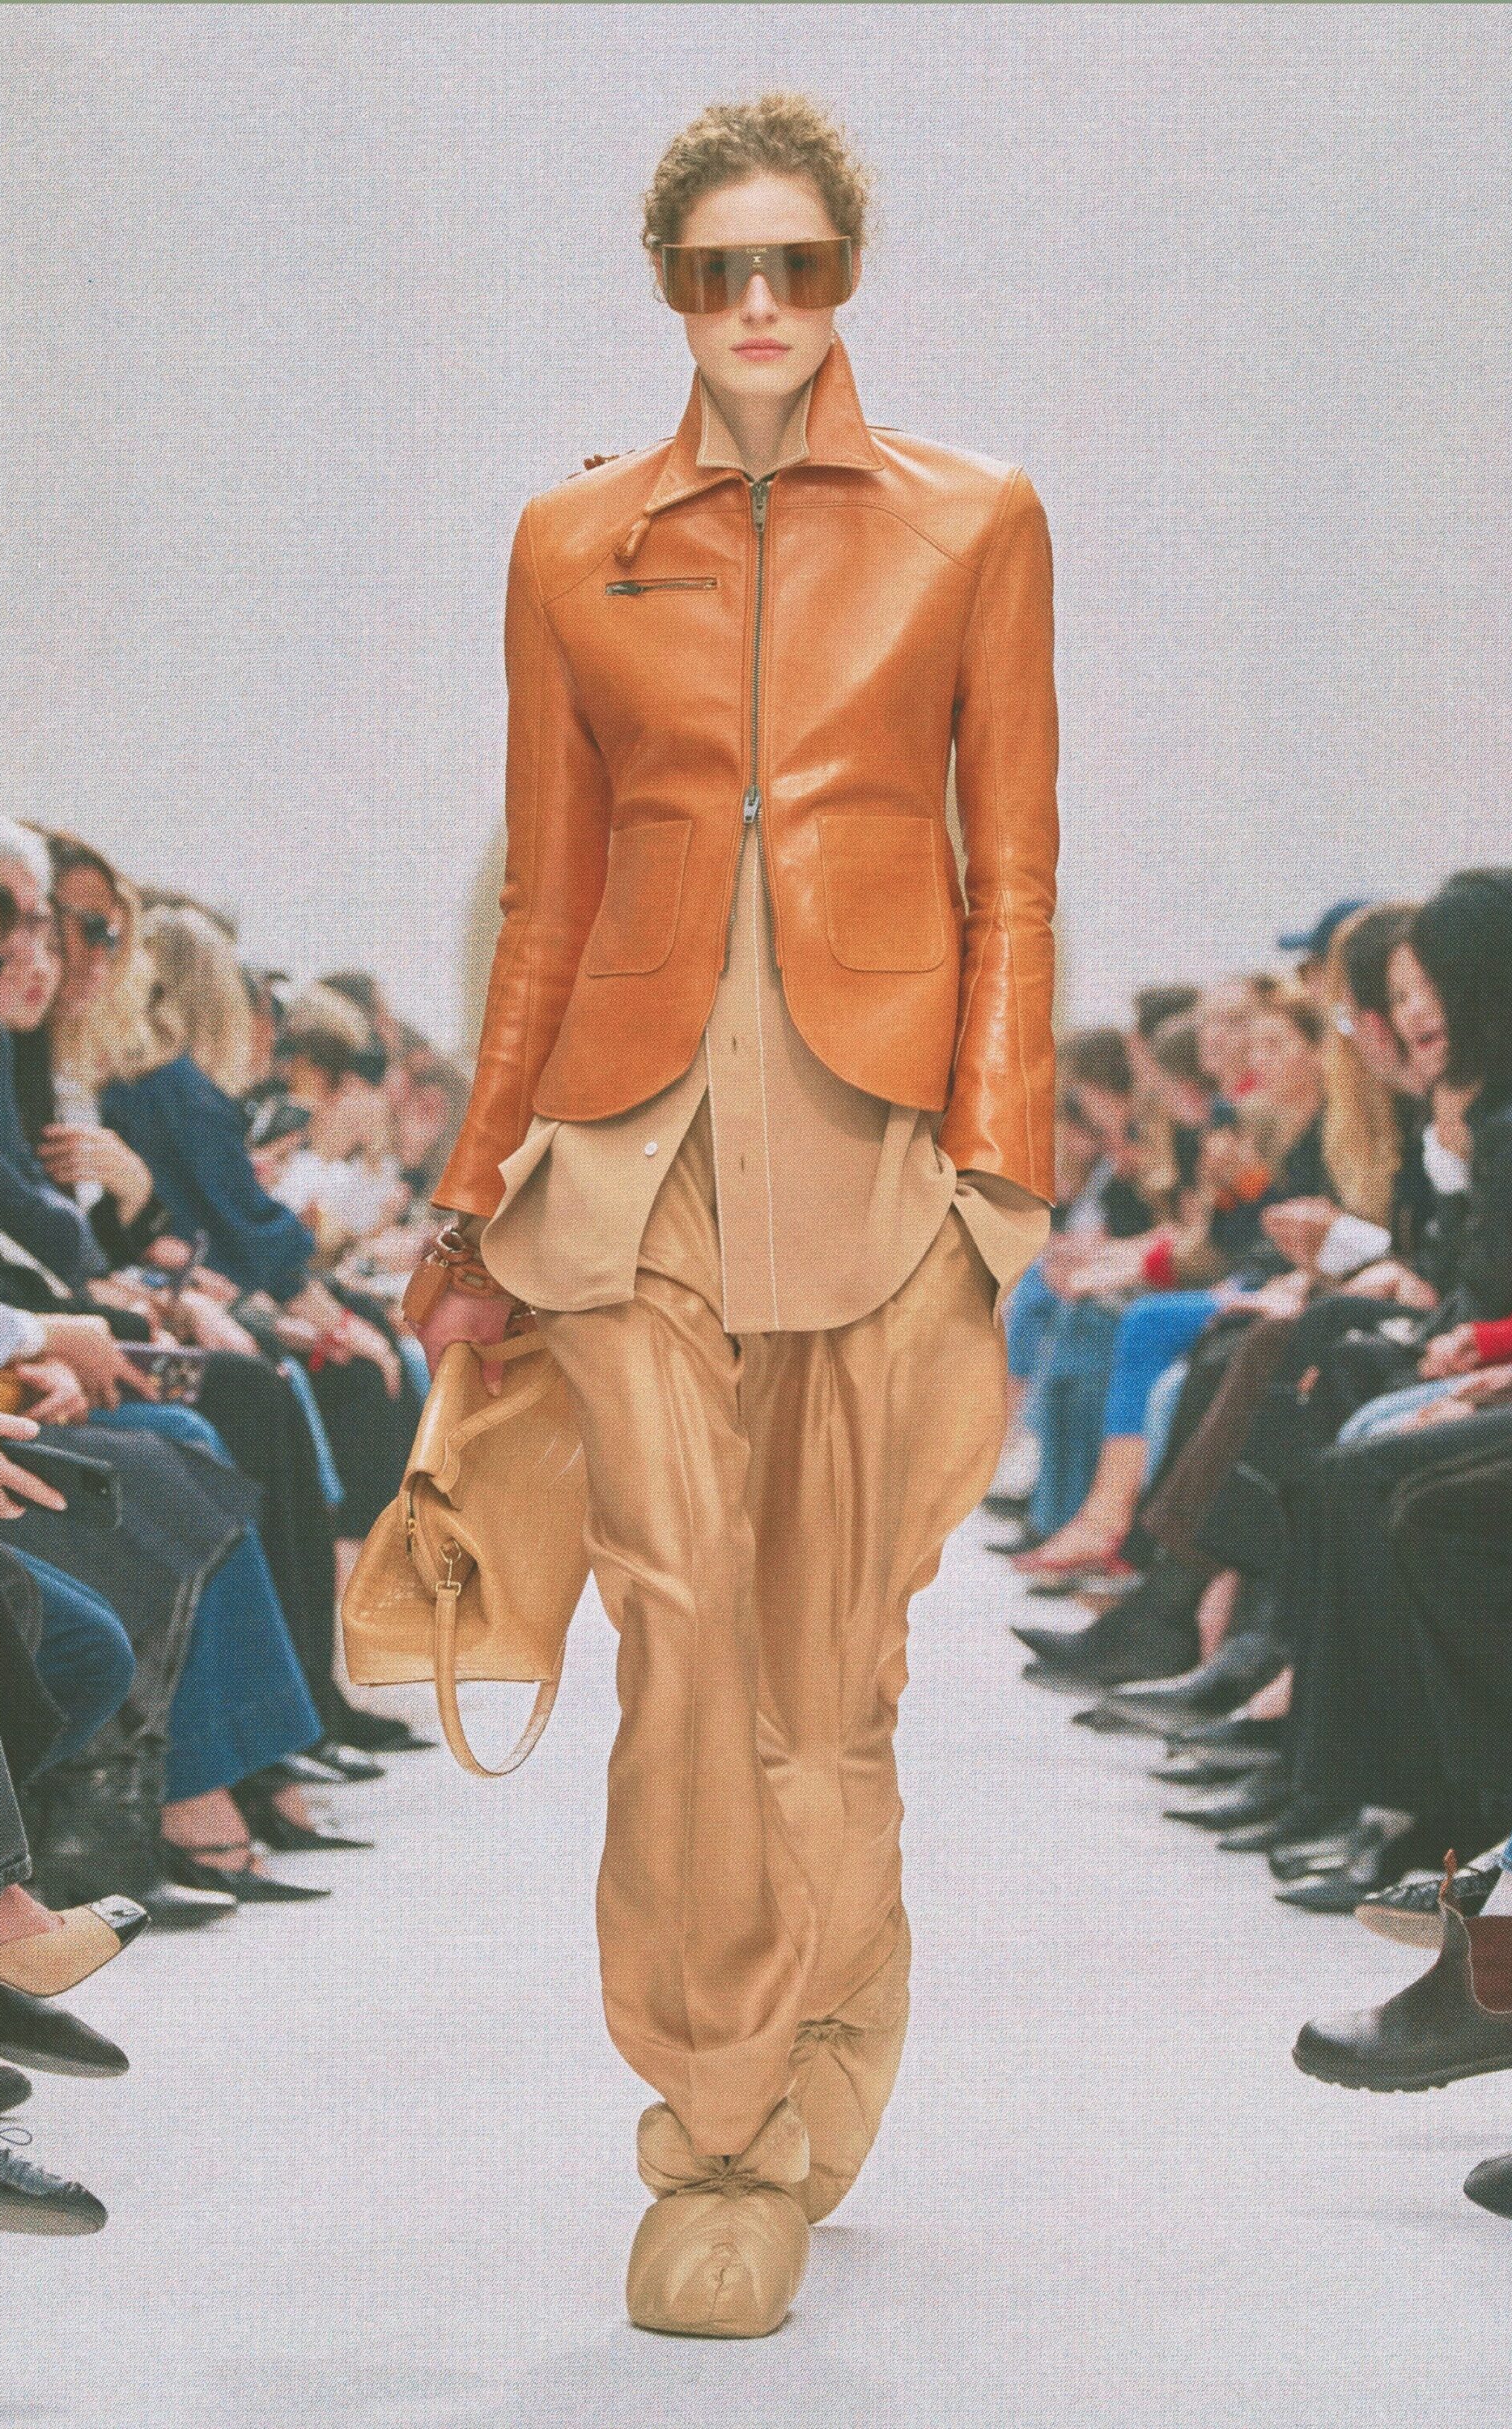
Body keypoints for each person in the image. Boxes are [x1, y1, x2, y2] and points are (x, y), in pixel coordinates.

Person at [406, 92, 1057, 2337]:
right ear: (671, 286)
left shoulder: (977, 521)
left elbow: (1015, 872)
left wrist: (998, 1178)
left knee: (826, 1676)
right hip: (631, 1150)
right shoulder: (568, 541)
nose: (760, 304)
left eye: (797, 265)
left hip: (882, 1155)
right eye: (719, 269)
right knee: (678, 1642)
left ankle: (829, 2010)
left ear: (845, 274)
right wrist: (473, 1191)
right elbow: (547, 894)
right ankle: (715, 2129)